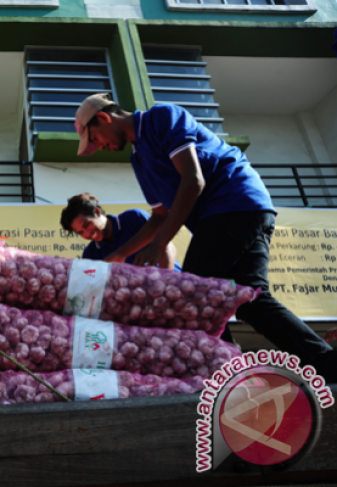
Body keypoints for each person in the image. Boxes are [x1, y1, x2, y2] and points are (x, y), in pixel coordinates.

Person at [74, 92, 336, 382]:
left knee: (192, 296)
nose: (101, 147)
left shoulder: (161, 118)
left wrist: (160, 244)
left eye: (96, 139)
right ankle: (327, 363)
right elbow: (160, 216)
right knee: (250, 299)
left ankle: (228, 374)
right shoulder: (139, 160)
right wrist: (118, 256)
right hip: (240, 213)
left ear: (103, 118)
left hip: (235, 202)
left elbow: (193, 180)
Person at [60, 192, 181, 270]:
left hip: (176, 288)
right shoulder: (90, 255)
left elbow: (167, 247)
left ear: (97, 212)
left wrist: (166, 284)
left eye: (87, 225)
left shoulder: (133, 218)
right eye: (80, 232)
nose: (87, 233)